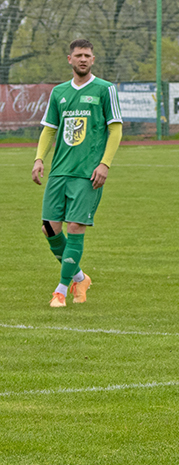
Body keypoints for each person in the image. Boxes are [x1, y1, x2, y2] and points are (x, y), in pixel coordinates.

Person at [32, 39, 123, 307]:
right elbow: (49, 128)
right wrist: (39, 159)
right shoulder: (59, 92)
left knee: (75, 227)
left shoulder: (105, 89)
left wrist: (104, 163)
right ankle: (80, 277)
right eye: (78, 55)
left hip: (88, 173)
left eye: (87, 55)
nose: (83, 59)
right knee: (49, 228)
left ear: (93, 59)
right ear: (69, 59)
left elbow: (115, 129)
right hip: (60, 171)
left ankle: (61, 290)